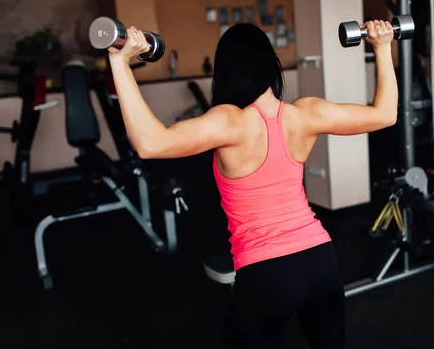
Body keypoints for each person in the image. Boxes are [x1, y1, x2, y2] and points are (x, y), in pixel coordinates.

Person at [107, 20, 397, 349]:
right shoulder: (305, 112)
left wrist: (119, 63)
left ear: (227, 72)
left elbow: (151, 144)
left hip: (265, 272)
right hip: (320, 259)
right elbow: (385, 114)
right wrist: (383, 47)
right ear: (271, 65)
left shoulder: (230, 121)